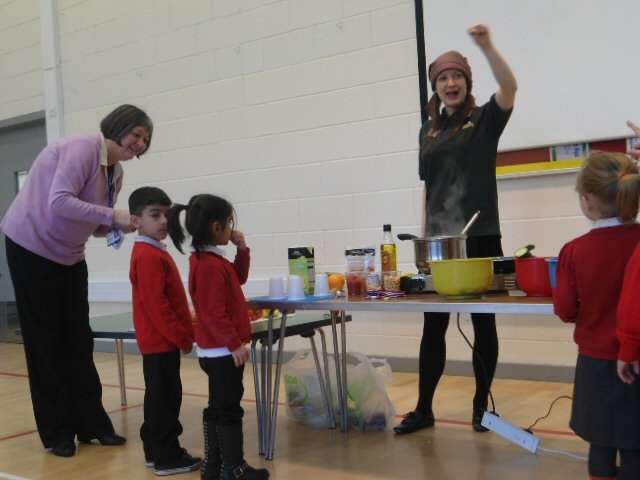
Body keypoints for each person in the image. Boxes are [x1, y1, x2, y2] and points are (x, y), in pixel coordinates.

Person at [0, 104, 152, 457]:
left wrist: (118, 225)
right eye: (137, 134)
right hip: (31, 246)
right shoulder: (82, 148)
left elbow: (95, 223)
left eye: (146, 139)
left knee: (78, 339)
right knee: (46, 341)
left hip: (69, 255)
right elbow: (60, 201)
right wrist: (112, 216)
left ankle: (92, 424)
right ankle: (57, 432)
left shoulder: (115, 173)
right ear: (118, 127)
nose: (140, 143)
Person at [394, 24, 517, 435]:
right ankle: (423, 409)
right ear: (435, 86)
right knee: (434, 325)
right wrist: (424, 239)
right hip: (442, 242)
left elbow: (510, 86)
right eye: (444, 78)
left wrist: (486, 45)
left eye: (458, 76)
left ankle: (482, 408)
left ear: (467, 83)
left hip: (481, 236)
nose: (451, 83)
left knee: (484, 323)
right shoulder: (426, 132)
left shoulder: (484, 121)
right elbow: (430, 190)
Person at [168, 194, 269, 480]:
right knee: (229, 409)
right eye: (229, 224)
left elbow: (239, 277)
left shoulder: (208, 259)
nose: (231, 228)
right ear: (216, 228)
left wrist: (243, 249)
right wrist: (234, 343)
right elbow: (212, 312)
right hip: (223, 352)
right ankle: (234, 468)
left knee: (217, 406)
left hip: (216, 351)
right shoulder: (210, 265)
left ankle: (213, 466)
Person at [554, 152, 640, 480]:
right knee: (635, 443)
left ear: (587, 201)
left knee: (600, 442)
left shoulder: (574, 250)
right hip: (637, 358)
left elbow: (564, 309)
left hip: (595, 361)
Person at [128, 186, 202, 476]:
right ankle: (166, 457)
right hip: (161, 341)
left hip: (161, 341)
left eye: (167, 215)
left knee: (158, 397)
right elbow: (157, 305)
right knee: (165, 400)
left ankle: (155, 450)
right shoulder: (148, 255)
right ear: (136, 221)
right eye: (154, 215)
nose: (163, 222)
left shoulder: (153, 251)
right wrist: (181, 336)